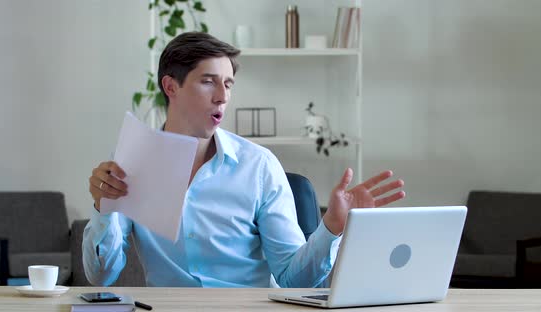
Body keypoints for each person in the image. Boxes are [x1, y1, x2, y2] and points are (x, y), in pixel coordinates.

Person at [84, 32, 405, 288]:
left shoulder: (259, 166)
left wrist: (332, 227)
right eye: (208, 81)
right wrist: (103, 208)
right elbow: (101, 276)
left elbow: (295, 279)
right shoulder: (132, 162)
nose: (222, 96)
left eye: (228, 84)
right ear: (171, 86)